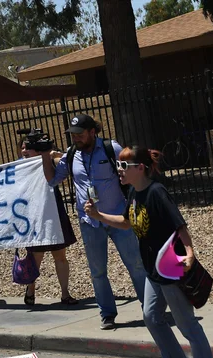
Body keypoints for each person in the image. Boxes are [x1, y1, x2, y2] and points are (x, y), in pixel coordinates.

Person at [84, 147, 213, 358]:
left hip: (169, 267)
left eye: (124, 166)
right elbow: (126, 222)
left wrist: (189, 252)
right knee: (151, 317)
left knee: (187, 325)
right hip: (152, 270)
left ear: (140, 168)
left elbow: (179, 224)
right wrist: (98, 215)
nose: (119, 171)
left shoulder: (157, 192)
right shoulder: (134, 192)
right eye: (118, 165)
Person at [40, 114, 147, 330]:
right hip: (89, 222)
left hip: (118, 218)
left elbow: (133, 173)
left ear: (92, 132)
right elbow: (53, 180)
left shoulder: (111, 148)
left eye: (80, 134)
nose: (76, 139)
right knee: (98, 271)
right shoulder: (71, 155)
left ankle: (151, 309)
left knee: (136, 264)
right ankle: (107, 314)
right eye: (73, 135)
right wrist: (45, 155)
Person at [18, 138, 78, 307]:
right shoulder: (19, 167)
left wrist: (51, 154)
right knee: (35, 258)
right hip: (35, 216)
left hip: (54, 214)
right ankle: (30, 290)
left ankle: (65, 293)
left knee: (60, 256)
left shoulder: (50, 160)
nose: (24, 151)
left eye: (28, 147)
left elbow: (67, 163)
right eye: (22, 147)